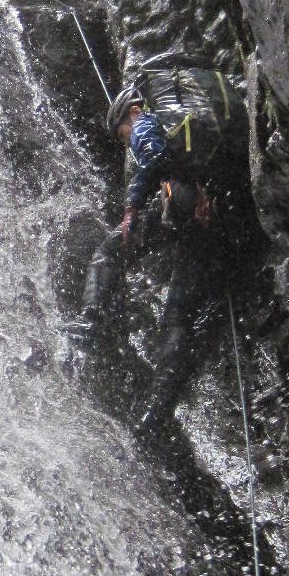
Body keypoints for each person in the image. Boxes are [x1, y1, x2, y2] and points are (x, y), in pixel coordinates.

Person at [73, 80, 231, 435]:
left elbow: (154, 157)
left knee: (108, 251)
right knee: (178, 313)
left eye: (122, 135)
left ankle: (90, 322)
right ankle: (158, 411)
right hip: (213, 217)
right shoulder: (192, 134)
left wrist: (131, 205)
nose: (127, 142)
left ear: (132, 111)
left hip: (183, 206)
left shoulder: (145, 121)